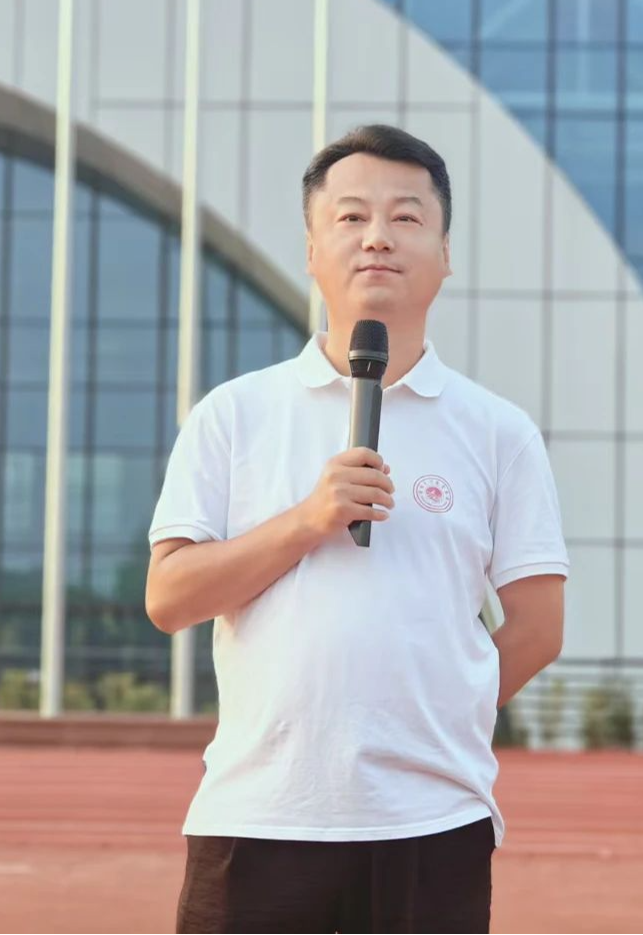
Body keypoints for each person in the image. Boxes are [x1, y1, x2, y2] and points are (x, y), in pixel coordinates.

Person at [145, 123, 569, 934]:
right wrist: (307, 521)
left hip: (431, 819)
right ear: (312, 250)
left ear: (446, 254)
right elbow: (169, 596)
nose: (378, 236)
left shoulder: (498, 431)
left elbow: (539, 626)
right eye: (351, 217)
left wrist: (429, 714)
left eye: (407, 217)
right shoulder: (234, 414)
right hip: (258, 814)